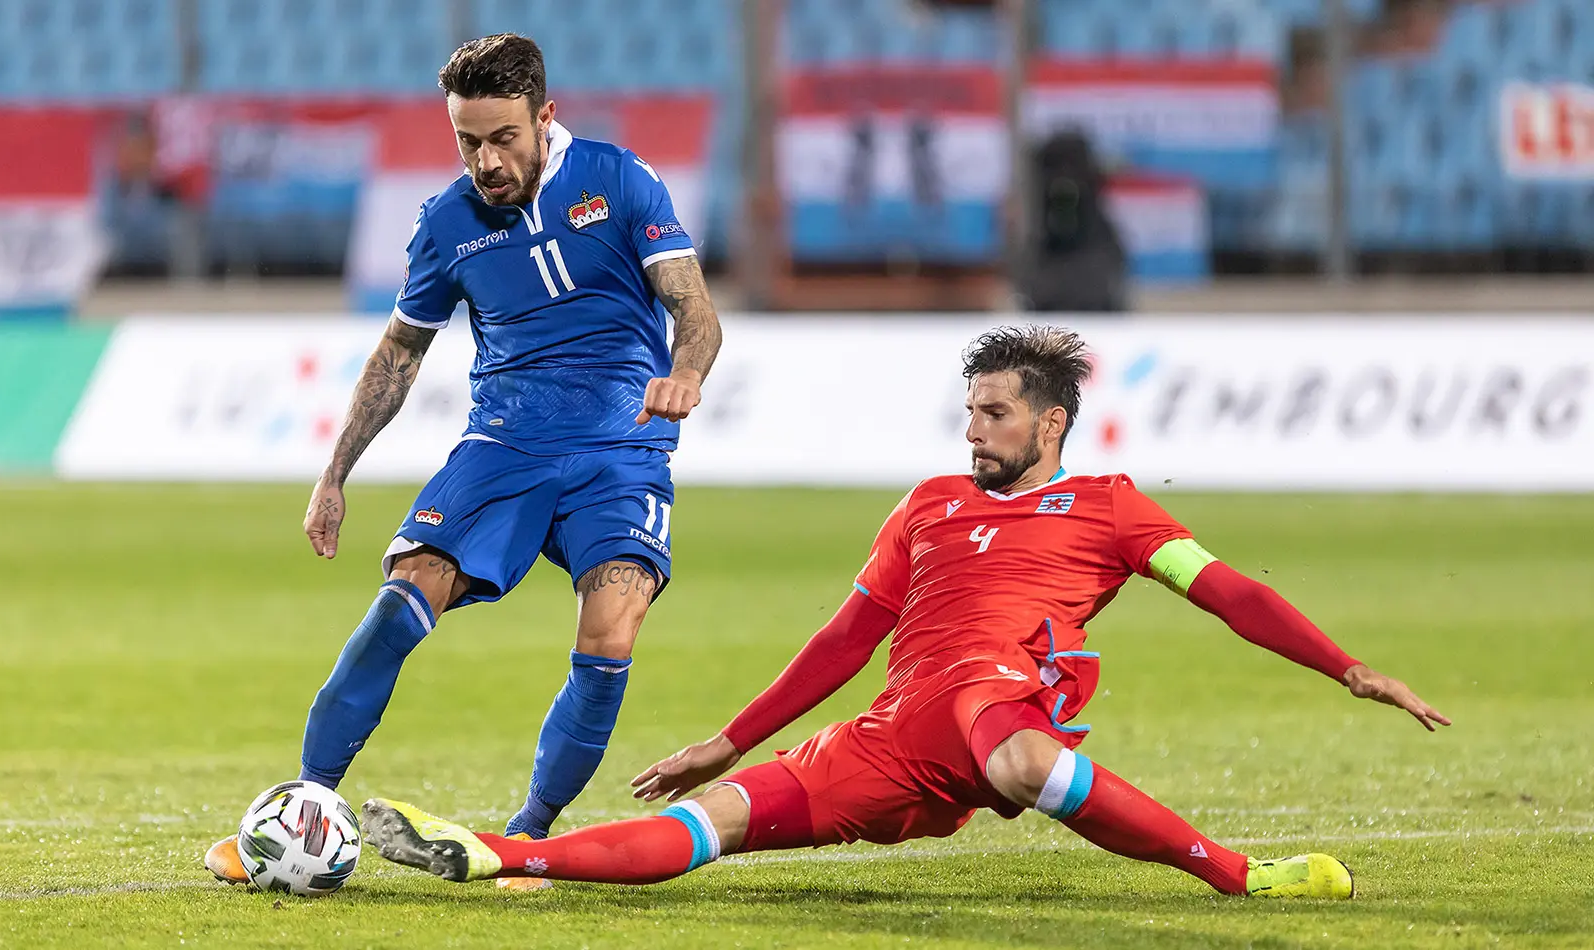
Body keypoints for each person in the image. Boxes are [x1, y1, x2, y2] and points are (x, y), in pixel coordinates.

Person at [359, 326, 1448, 898]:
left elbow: (1228, 591)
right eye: (968, 410)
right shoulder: (926, 505)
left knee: (1021, 755)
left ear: (1050, 424)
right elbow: (846, 638)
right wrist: (730, 739)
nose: (972, 429)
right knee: (710, 828)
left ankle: (1242, 876)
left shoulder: (1113, 507)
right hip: (898, 734)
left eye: (995, 412)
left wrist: (1346, 666)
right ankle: (499, 855)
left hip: (997, 697)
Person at [205, 33, 722, 892]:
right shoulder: (446, 223)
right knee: (401, 598)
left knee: (611, 632)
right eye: (468, 142)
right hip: (504, 447)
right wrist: (334, 475)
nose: (486, 161)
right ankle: (303, 809)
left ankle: (523, 841)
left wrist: (686, 373)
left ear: (545, 117)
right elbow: (398, 355)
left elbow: (694, 309)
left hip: (621, 449)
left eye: (503, 139)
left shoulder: (621, 180)